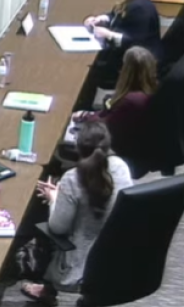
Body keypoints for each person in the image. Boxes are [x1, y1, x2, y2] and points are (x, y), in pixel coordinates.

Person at [22, 122, 132, 305]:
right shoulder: (121, 166)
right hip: (119, 256)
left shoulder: (73, 178)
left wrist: (54, 198)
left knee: (39, 222)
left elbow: (57, 228)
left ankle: (47, 288)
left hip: (79, 264)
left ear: (78, 148)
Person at [74, 46, 156, 177]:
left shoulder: (132, 101)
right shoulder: (149, 91)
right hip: (130, 144)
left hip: (120, 153)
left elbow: (104, 127)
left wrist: (85, 116)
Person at [84, 0, 162, 93]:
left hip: (139, 62)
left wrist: (108, 34)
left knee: (93, 70)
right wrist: (103, 18)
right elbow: (117, 15)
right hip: (128, 52)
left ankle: (86, 103)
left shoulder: (140, 8)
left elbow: (135, 42)